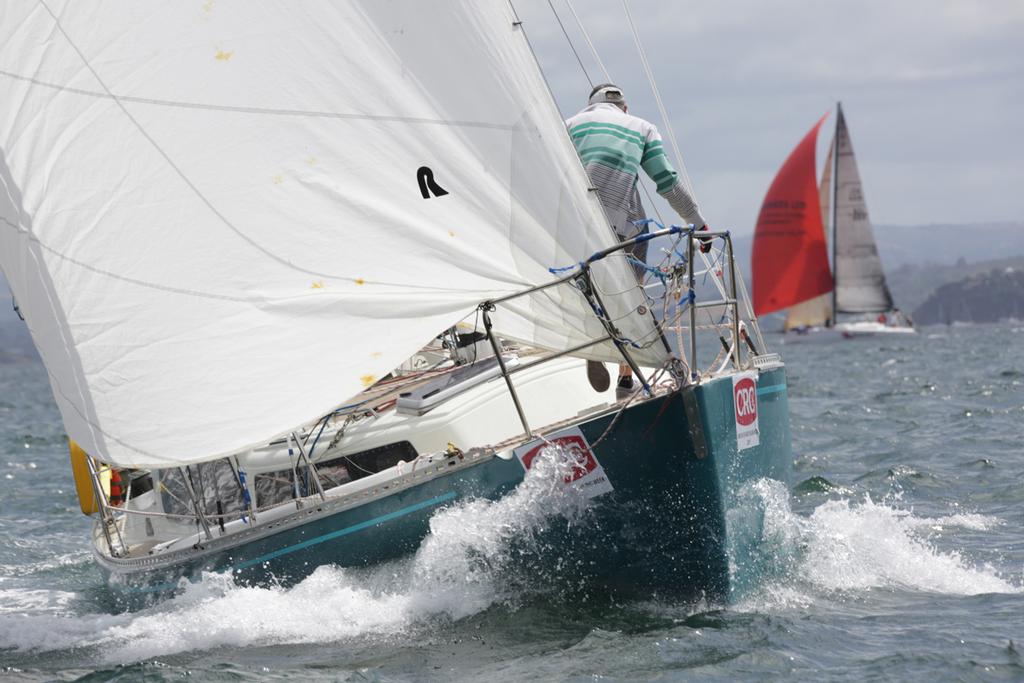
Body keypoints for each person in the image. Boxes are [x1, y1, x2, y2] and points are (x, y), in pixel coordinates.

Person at [566, 83, 709, 398]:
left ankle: (593, 340)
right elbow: (667, 182)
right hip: (619, 227)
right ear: (625, 108)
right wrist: (698, 223)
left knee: (589, 283)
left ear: (589, 106)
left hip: (574, 224)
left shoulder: (570, 126)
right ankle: (626, 379)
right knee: (633, 294)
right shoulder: (642, 128)